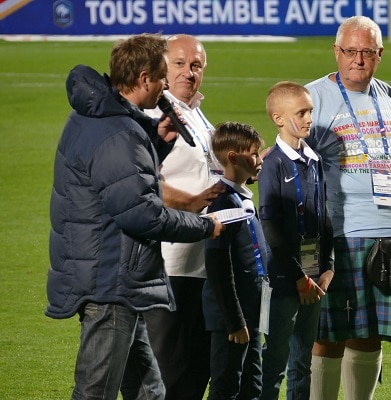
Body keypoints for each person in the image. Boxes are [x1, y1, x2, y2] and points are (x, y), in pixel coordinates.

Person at [45, 34, 224, 400]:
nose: (165, 87)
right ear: (145, 79)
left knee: (149, 392)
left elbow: (121, 181)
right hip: (110, 280)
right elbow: (143, 215)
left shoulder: (98, 116)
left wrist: (157, 142)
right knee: (96, 392)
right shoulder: (118, 134)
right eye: (162, 77)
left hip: (114, 275)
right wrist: (205, 226)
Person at [304, 16, 391, 400]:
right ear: (336, 52)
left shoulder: (389, 96)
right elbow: (291, 159)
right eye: (351, 51)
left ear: (380, 55)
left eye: (367, 52)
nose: (358, 59)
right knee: (329, 334)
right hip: (339, 231)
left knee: (371, 334)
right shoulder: (312, 97)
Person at [144, 34, 225, 400]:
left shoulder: (194, 112)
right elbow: (143, 185)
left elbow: (203, 170)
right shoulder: (152, 114)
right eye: (179, 64)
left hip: (202, 259)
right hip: (169, 262)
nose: (188, 72)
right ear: (163, 66)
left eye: (196, 66)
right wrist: (193, 202)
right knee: (167, 371)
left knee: (197, 369)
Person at [258, 81, 334, 400]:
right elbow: (271, 226)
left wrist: (328, 265)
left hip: (313, 276)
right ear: (278, 118)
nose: (307, 119)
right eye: (300, 113)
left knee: (303, 363)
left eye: (310, 112)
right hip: (283, 279)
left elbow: (323, 215)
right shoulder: (271, 165)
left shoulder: (314, 160)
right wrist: (298, 277)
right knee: (273, 363)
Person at [202, 121, 269, 400]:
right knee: (227, 385)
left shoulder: (242, 197)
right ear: (233, 157)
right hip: (233, 318)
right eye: (254, 154)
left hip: (251, 313)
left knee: (252, 386)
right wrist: (234, 321)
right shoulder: (222, 203)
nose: (260, 160)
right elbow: (218, 265)